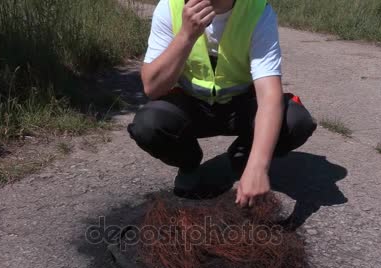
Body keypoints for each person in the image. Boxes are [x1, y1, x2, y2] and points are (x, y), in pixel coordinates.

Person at [128, 0, 316, 207]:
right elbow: (152, 87)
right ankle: (188, 164)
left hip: (240, 107)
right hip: (191, 106)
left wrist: (258, 166)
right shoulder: (170, 7)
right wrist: (186, 35)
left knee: (295, 121)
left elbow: (269, 95)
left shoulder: (258, 11)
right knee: (149, 124)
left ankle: (242, 157)